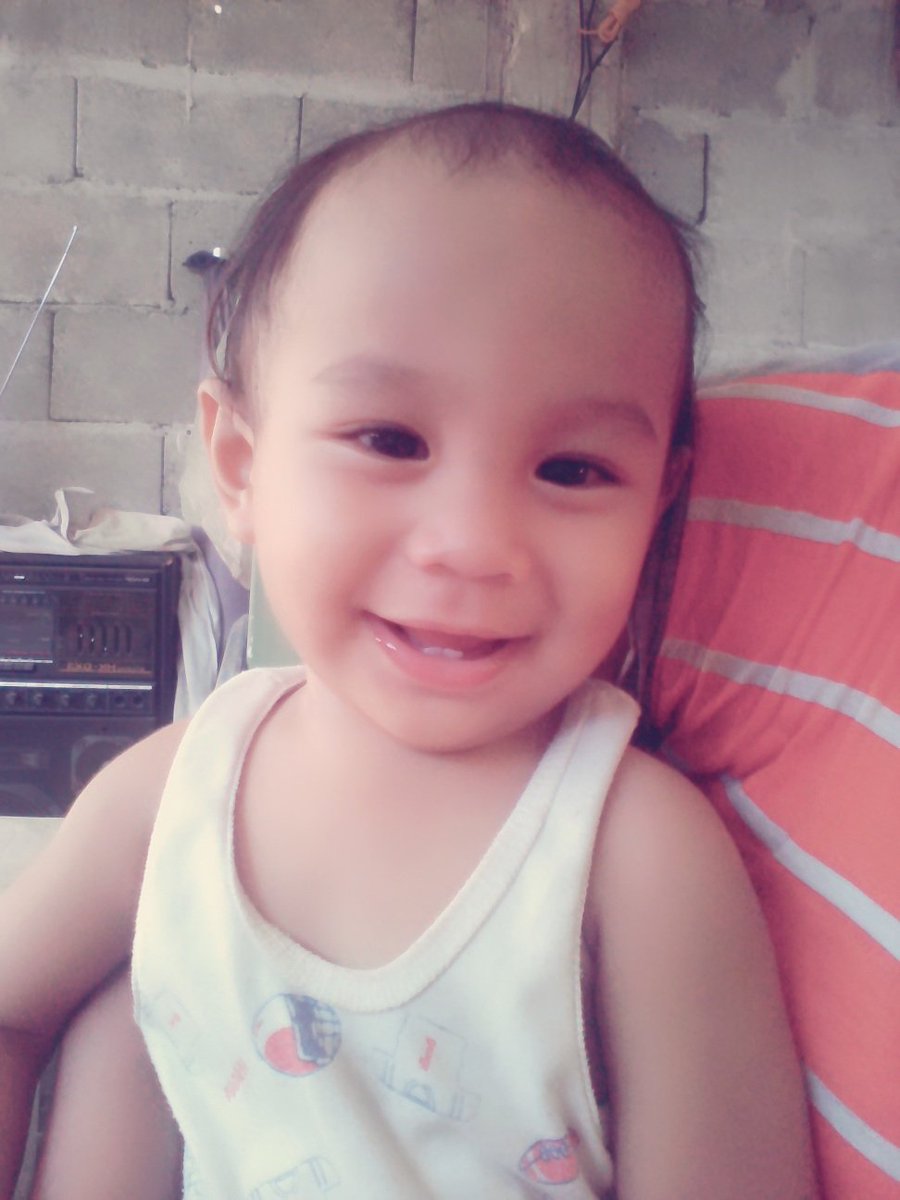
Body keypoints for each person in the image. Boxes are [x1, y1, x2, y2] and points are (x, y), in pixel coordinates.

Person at [0, 103, 819, 1200]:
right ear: (241, 467)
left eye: (574, 470)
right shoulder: (174, 795)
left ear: (659, 502)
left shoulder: (636, 856)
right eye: (389, 440)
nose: (474, 545)